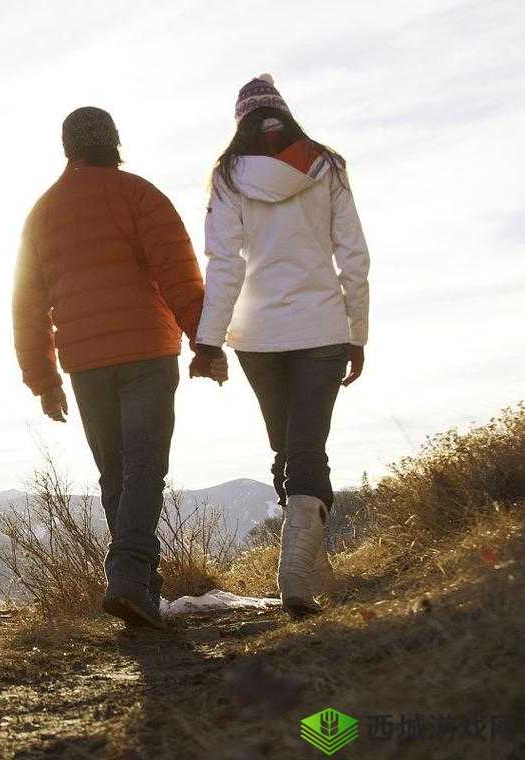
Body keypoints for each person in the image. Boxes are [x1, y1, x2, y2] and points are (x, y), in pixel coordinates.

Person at [12, 107, 223, 629]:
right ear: (114, 142)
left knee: (116, 474)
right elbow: (179, 275)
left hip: (85, 363)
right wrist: (205, 342)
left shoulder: (41, 212)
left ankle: (140, 589)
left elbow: (26, 306)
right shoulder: (139, 195)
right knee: (145, 468)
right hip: (147, 354)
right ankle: (129, 577)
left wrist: (44, 379)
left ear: (68, 149)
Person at [194, 75, 371, 617]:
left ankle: (307, 570)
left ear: (241, 122)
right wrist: (357, 333)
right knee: (306, 448)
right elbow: (354, 259)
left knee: (288, 449)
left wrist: (209, 340)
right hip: (321, 329)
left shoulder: (227, 177)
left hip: (259, 336)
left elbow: (225, 265)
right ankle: (299, 575)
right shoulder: (326, 167)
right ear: (285, 115)